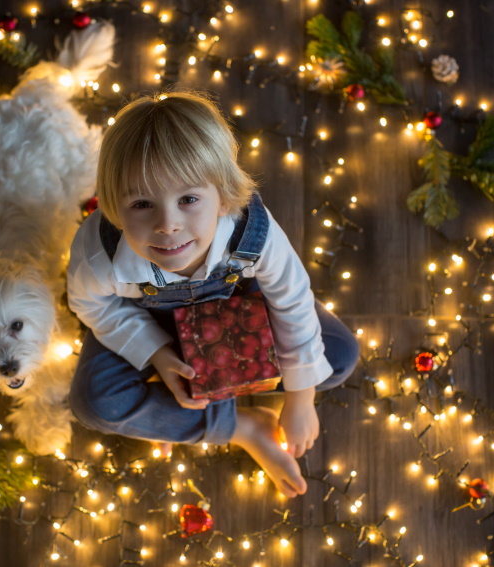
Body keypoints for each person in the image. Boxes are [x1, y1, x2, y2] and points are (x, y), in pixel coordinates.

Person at [67, 90, 359, 498]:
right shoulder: (99, 256)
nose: (167, 224)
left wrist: (300, 397)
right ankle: (243, 427)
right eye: (141, 204)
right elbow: (90, 304)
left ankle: (167, 416)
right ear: (114, 206)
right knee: (95, 403)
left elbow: (291, 300)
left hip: (238, 301)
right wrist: (157, 355)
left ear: (222, 196)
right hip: (148, 317)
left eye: (188, 199)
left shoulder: (254, 234)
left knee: (340, 357)